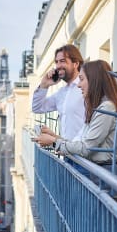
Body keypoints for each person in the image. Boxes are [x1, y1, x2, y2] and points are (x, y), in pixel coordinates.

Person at [33, 60, 117, 187]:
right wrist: (55, 138)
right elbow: (85, 143)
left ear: (94, 80)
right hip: (106, 173)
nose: (79, 85)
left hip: (113, 176)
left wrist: (53, 142)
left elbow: (86, 148)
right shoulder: (101, 107)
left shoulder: (107, 108)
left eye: (82, 79)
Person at [32, 44, 87, 173]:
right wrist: (44, 85)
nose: (58, 66)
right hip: (67, 155)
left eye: (62, 61)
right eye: (56, 62)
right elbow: (37, 107)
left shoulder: (86, 87)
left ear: (75, 63)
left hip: (85, 159)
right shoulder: (62, 92)